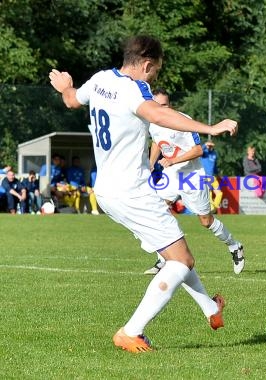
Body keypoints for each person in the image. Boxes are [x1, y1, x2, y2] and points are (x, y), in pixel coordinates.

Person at [49, 35, 238, 353]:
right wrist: (211, 127)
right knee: (181, 261)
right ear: (147, 65)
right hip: (133, 192)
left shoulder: (99, 80)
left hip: (106, 191)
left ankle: (211, 309)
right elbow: (158, 114)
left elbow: (71, 100)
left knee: (173, 254)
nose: (154, 78)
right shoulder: (134, 89)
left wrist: (66, 85)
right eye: (156, 72)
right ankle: (131, 331)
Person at [145, 88, 245, 276]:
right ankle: (163, 259)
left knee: (205, 221)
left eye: (164, 105)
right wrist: (151, 164)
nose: (161, 108)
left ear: (170, 104)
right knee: (158, 210)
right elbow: (158, 142)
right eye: (158, 105)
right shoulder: (153, 121)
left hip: (191, 175)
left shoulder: (182, 120)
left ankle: (235, 246)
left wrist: (173, 160)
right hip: (171, 174)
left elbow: (198, 150)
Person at [201, 139, 223, 212]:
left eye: (211, 145)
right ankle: (211, 209)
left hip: (213, 177)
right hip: (205, 176)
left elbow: (215, 166)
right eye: (209, 145)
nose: (210, 147)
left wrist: (217, 173)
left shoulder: (214, 154)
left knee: (219, 193)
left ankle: (214, 208)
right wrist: (205, 145)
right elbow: (199, 150)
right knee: (209, 193)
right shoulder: (204, 153)